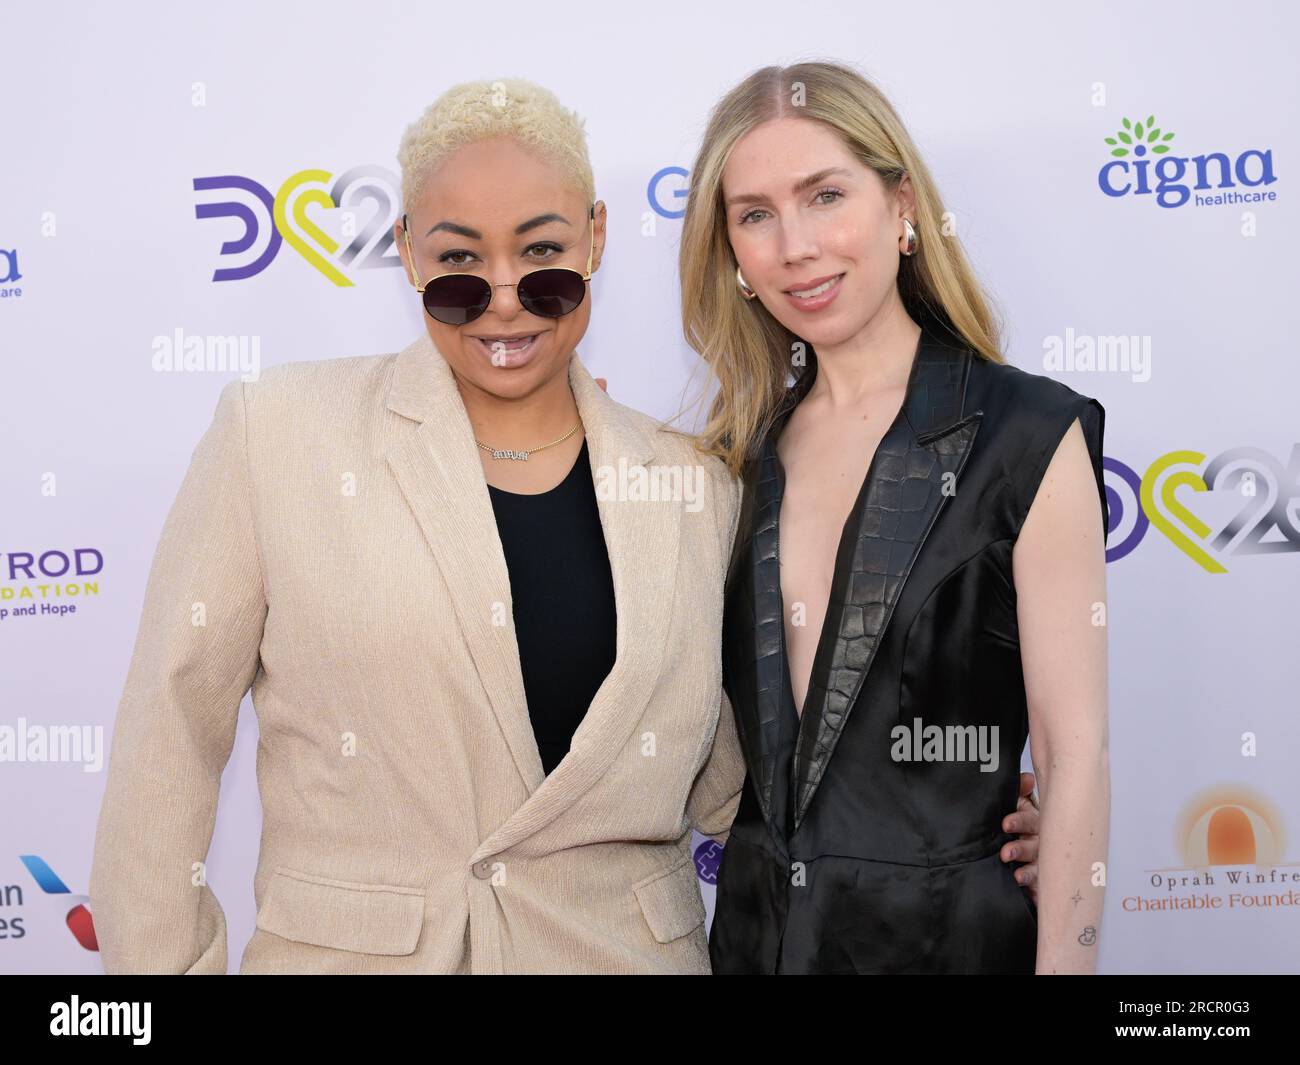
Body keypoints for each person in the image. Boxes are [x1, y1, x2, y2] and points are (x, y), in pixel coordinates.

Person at [88, 76, 1042, 975]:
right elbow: (168, 734)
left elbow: (739, 775)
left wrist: (946, 805)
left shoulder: (695, 484)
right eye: (459, 265)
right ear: (410, 252)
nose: (504, 300)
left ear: (594, 239)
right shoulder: (279, 434)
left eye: (542, 258)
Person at [680, 61, 1110, 974]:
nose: (794, 244)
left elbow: (1075, 758)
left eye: (824, 195)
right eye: (755, 214)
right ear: (732, 254)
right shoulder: (730, 463)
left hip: (950, 946)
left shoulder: (1026, 435)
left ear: (902, 206)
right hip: (756, 948)